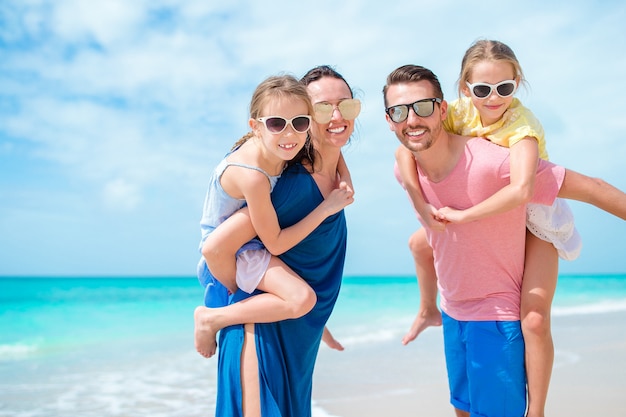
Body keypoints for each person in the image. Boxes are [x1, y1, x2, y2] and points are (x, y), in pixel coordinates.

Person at [383, 64, 626, 417]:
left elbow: (593, 188)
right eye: (399, 111)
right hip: (454, 313)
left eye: (421, 107)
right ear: (389, 121)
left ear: (443, 109)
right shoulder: (404, 170)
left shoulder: (495, 164)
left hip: (496, 317)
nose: (412, 119)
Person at [394, 39, 573, 416]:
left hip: (535, 216)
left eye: (504, 88)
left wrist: (463, 215)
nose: (493, 98)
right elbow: (406, 148)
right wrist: (423, 207)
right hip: (491, 223)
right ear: (464, 88)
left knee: (535, 319)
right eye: (482, 89)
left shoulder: (522, 127)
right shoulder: (453, 113)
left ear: (517, 83)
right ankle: (428, 308)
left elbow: (523, 190)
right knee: (418, 242)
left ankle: (536, 409)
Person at [202, 65, 359, 416]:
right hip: (261, 335)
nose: (336, 116)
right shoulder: (284, 185)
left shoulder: (335, 176)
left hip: (300, 335)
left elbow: (302, 264)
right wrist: (228, 302)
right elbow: (215, 247)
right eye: (322, 107)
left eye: (346, 105)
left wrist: (319, 320)